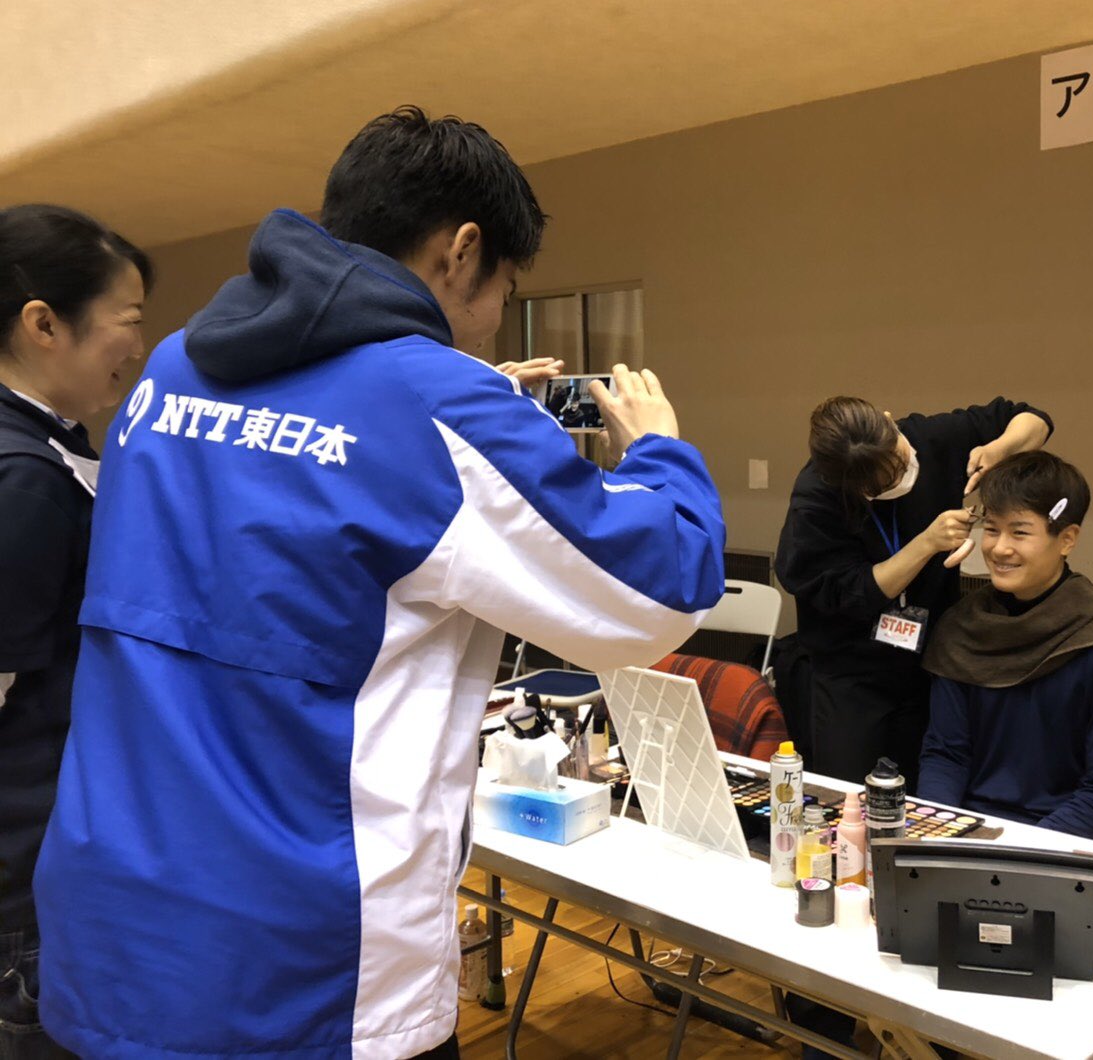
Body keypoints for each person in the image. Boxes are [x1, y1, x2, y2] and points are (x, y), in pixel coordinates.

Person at [34, 108, 727, 1060]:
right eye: (503, 290)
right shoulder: (440, 403)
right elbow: (659, 596)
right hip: (302, 971)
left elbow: (303, 506)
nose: (492, 321)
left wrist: (484, 419)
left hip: (113, 926)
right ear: (462, 251)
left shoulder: (174, 366)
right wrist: (660, 451)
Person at [0, 205, 152, 1060]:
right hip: (27, 875)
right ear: (44, 323)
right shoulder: (21, 476)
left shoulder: (54, 442)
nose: (139, 345)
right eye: (128, 320)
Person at [775, 396, 1051, 786]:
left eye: (900, 462)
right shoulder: (817, 499)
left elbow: (1034, 419)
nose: (900, 478)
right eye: (882, 483)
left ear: (890, 422)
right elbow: (856, 593)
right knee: (850, 792)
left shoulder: (932, 438)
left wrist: (999, 449)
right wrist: (927, 543)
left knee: (927, 780)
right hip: (851, 670)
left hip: (931, 657)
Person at [918, 451, 1093, 844]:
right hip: (970, 832)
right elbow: (946, 755)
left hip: (1069, 844)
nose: (999, 548)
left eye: (1019, 533)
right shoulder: (962, 628)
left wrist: (1018, 853)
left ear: (1067, 539)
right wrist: (940, 835)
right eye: (991, 529)